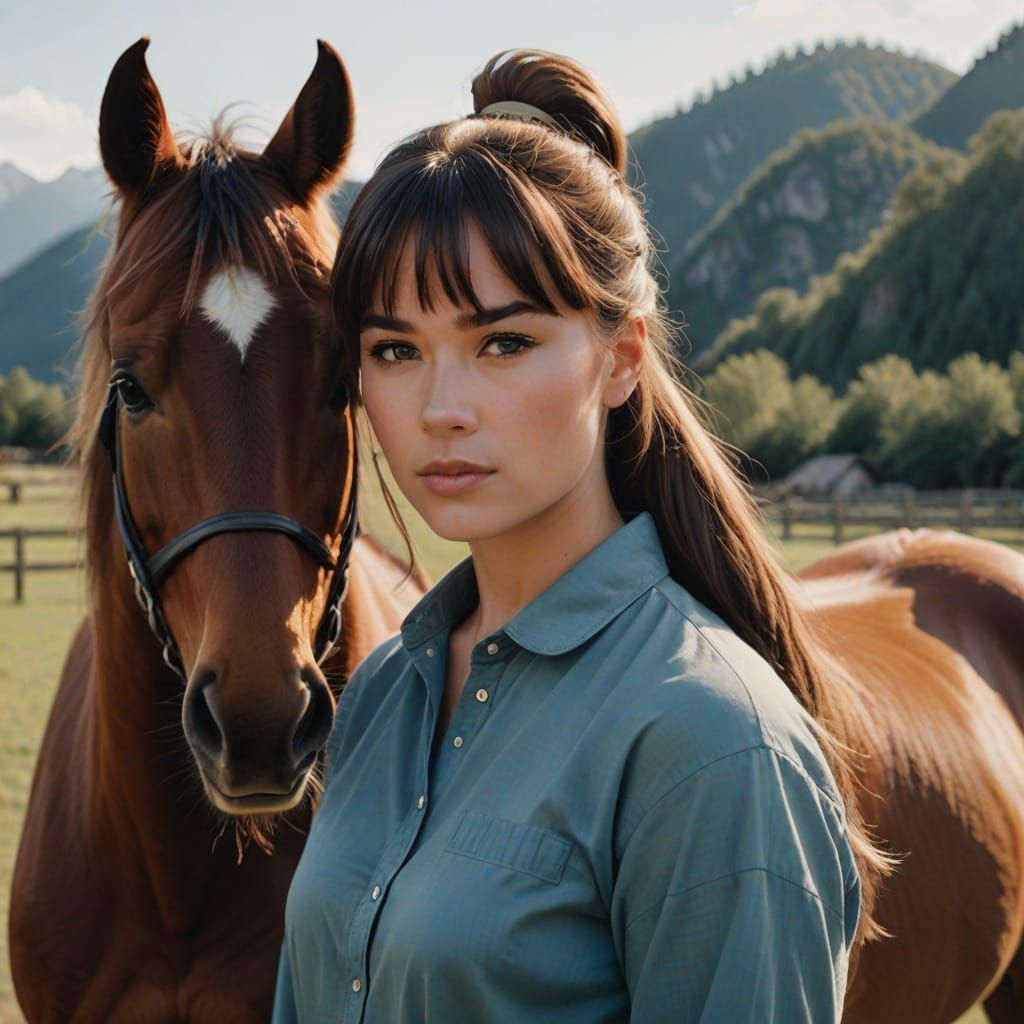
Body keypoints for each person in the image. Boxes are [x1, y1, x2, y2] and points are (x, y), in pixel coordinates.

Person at [272, 48, 895, 1023]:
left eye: (503, 343)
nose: (440, 408)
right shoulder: (383, 695)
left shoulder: (713, 744)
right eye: (395, 350)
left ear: (620, 357)